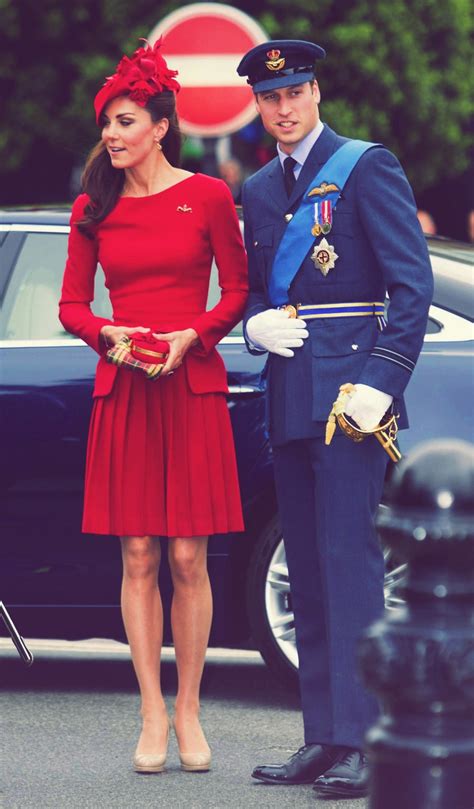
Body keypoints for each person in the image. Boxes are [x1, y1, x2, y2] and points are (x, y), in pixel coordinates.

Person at [236, 40, 433, 799]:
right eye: (269, 98)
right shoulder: (255, 189)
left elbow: (410, 286)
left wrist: (382, 382)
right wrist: (255, 327)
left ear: (316, 93)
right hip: (289, 395)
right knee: (310, 576)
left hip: (352, 401)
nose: (283, 108)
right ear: (258, 106)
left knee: (351, 568)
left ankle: (363, 738)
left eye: (295, 93)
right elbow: (259, 291)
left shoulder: (364, 165)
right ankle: (322, 734)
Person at [59, 39, 248, 774]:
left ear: (161, 125)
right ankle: (148, 711)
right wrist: (108, 333)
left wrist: (191, 335)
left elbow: (235, 292)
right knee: (137, 553)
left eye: (126, 120)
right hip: (125, 386)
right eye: (108, 121)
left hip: (190, 382)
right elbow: (74, 305)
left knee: (186, 555)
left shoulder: (207, 196)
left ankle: (191, 709)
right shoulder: (92, 205)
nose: (112, 133)